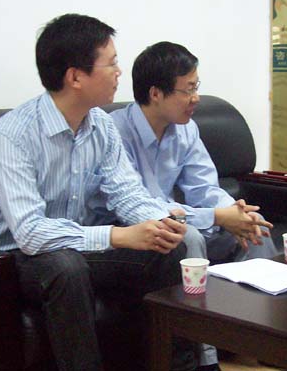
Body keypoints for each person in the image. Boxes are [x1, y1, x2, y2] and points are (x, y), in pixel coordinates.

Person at [0, 14, 191, 371]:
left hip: (75, 247)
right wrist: (118, 235)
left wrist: (159, 221)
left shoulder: (102, 126)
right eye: (111, 63)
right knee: (66, 267)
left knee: (167, 251)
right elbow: (30, 233)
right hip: (15, 256)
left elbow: (126, 192)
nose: (119, 72)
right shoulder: (12, 135)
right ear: (75, 77)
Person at [107, 41, 278, 370]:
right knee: (190, 239)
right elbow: (138, 205)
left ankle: (258, 344)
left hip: (180, 220)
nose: (196, 98)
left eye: (196, 87)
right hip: (136, 231)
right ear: (156, 93)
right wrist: (217, 216)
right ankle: (205, 359)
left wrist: (236, 213)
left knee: (256, 229)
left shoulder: (185, 130)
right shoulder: (115, 132)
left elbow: (204, 188)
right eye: (188, 90)